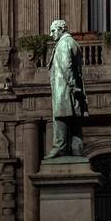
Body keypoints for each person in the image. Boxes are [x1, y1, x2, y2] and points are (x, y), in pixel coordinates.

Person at [45, 19, 89, 158]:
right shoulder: (73, 43)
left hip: (64, 88)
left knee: (60, 118)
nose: (51, 34)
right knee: (75, 121)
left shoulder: (63, 44)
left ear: (61, 29)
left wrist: (72, 86)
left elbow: (66, 66)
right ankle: (77, 149)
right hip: (72, 88)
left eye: (53, 30)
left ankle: (60, 147)